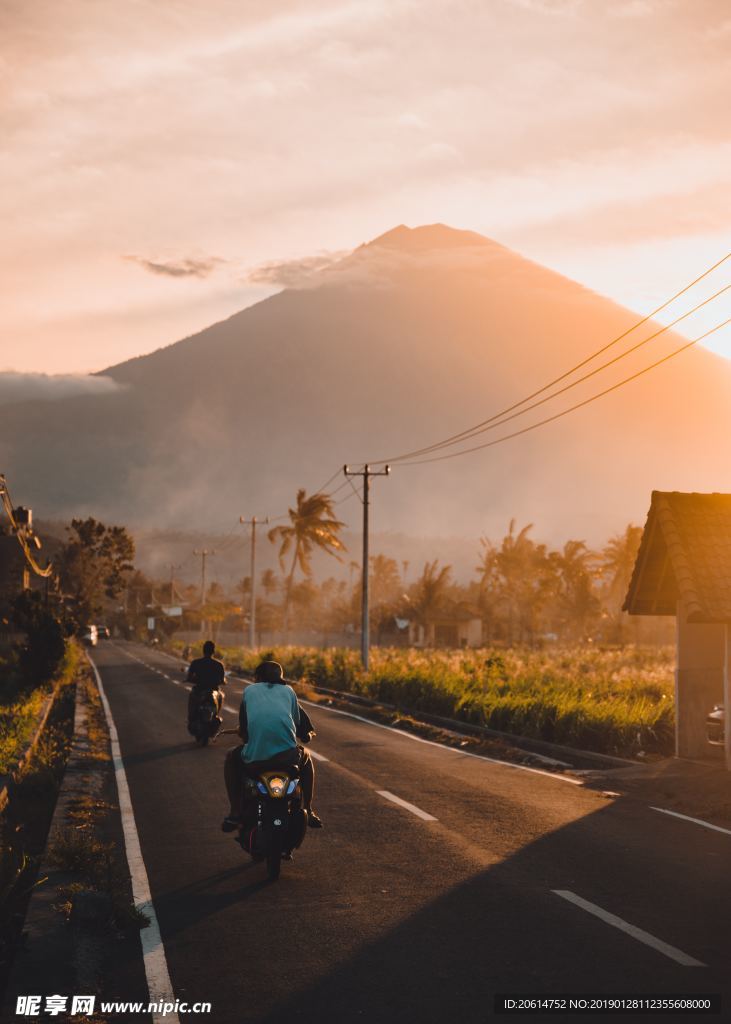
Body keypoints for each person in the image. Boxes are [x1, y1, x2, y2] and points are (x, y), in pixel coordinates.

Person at [222, 660, 323, 832]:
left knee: (231, 758)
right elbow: (302, 726)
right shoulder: (288, 691)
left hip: (255, 760)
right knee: (307, 758)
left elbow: (245, 733)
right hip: (288, 759)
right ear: (280, 679)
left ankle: (234, 812)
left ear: (258, 677)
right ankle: (309, 809)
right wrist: (305, 735)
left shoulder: (249, 691)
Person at [187, 640, 226, 733]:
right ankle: (215, 714)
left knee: (192, 699)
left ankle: (191, 717)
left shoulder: (195, 663)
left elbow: (189, 677)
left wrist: (192, 680)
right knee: (221, 695)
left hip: (199, 689)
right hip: (214, 690)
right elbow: (222, 679)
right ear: (213, 651)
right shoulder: (219, 664)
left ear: (203, 650)